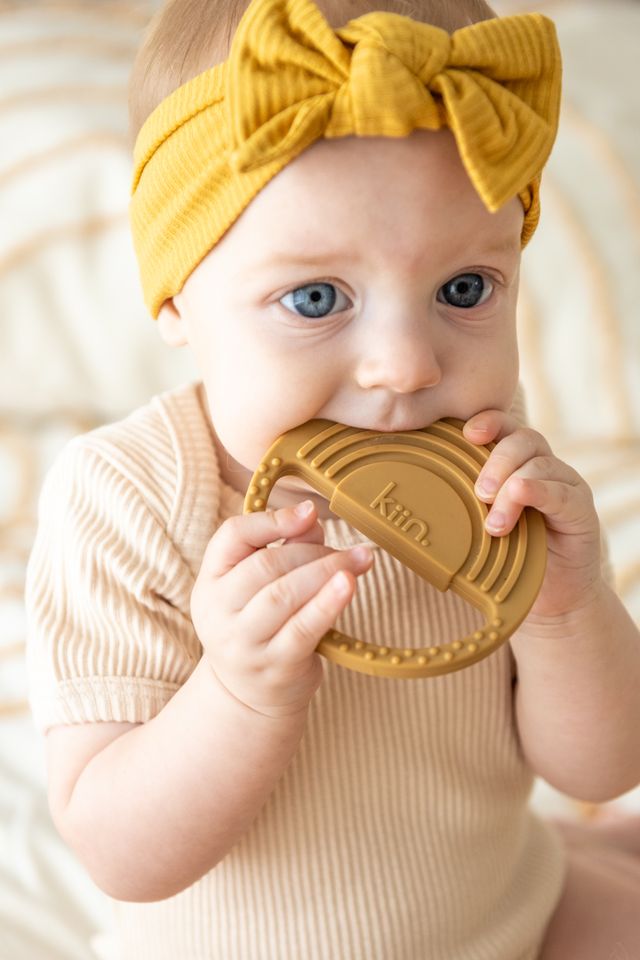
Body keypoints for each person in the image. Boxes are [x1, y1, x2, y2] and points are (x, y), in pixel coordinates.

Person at [25, 0, 640, 957]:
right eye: (316, 299)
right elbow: (118, 851)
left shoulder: (488, 472)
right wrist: (240, 694)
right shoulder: (128, 499)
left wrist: (563, 609)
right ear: (179, 295)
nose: (406, 366)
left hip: (508, 916)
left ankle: (583, 859)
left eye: (464, 290)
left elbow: (606, 760)